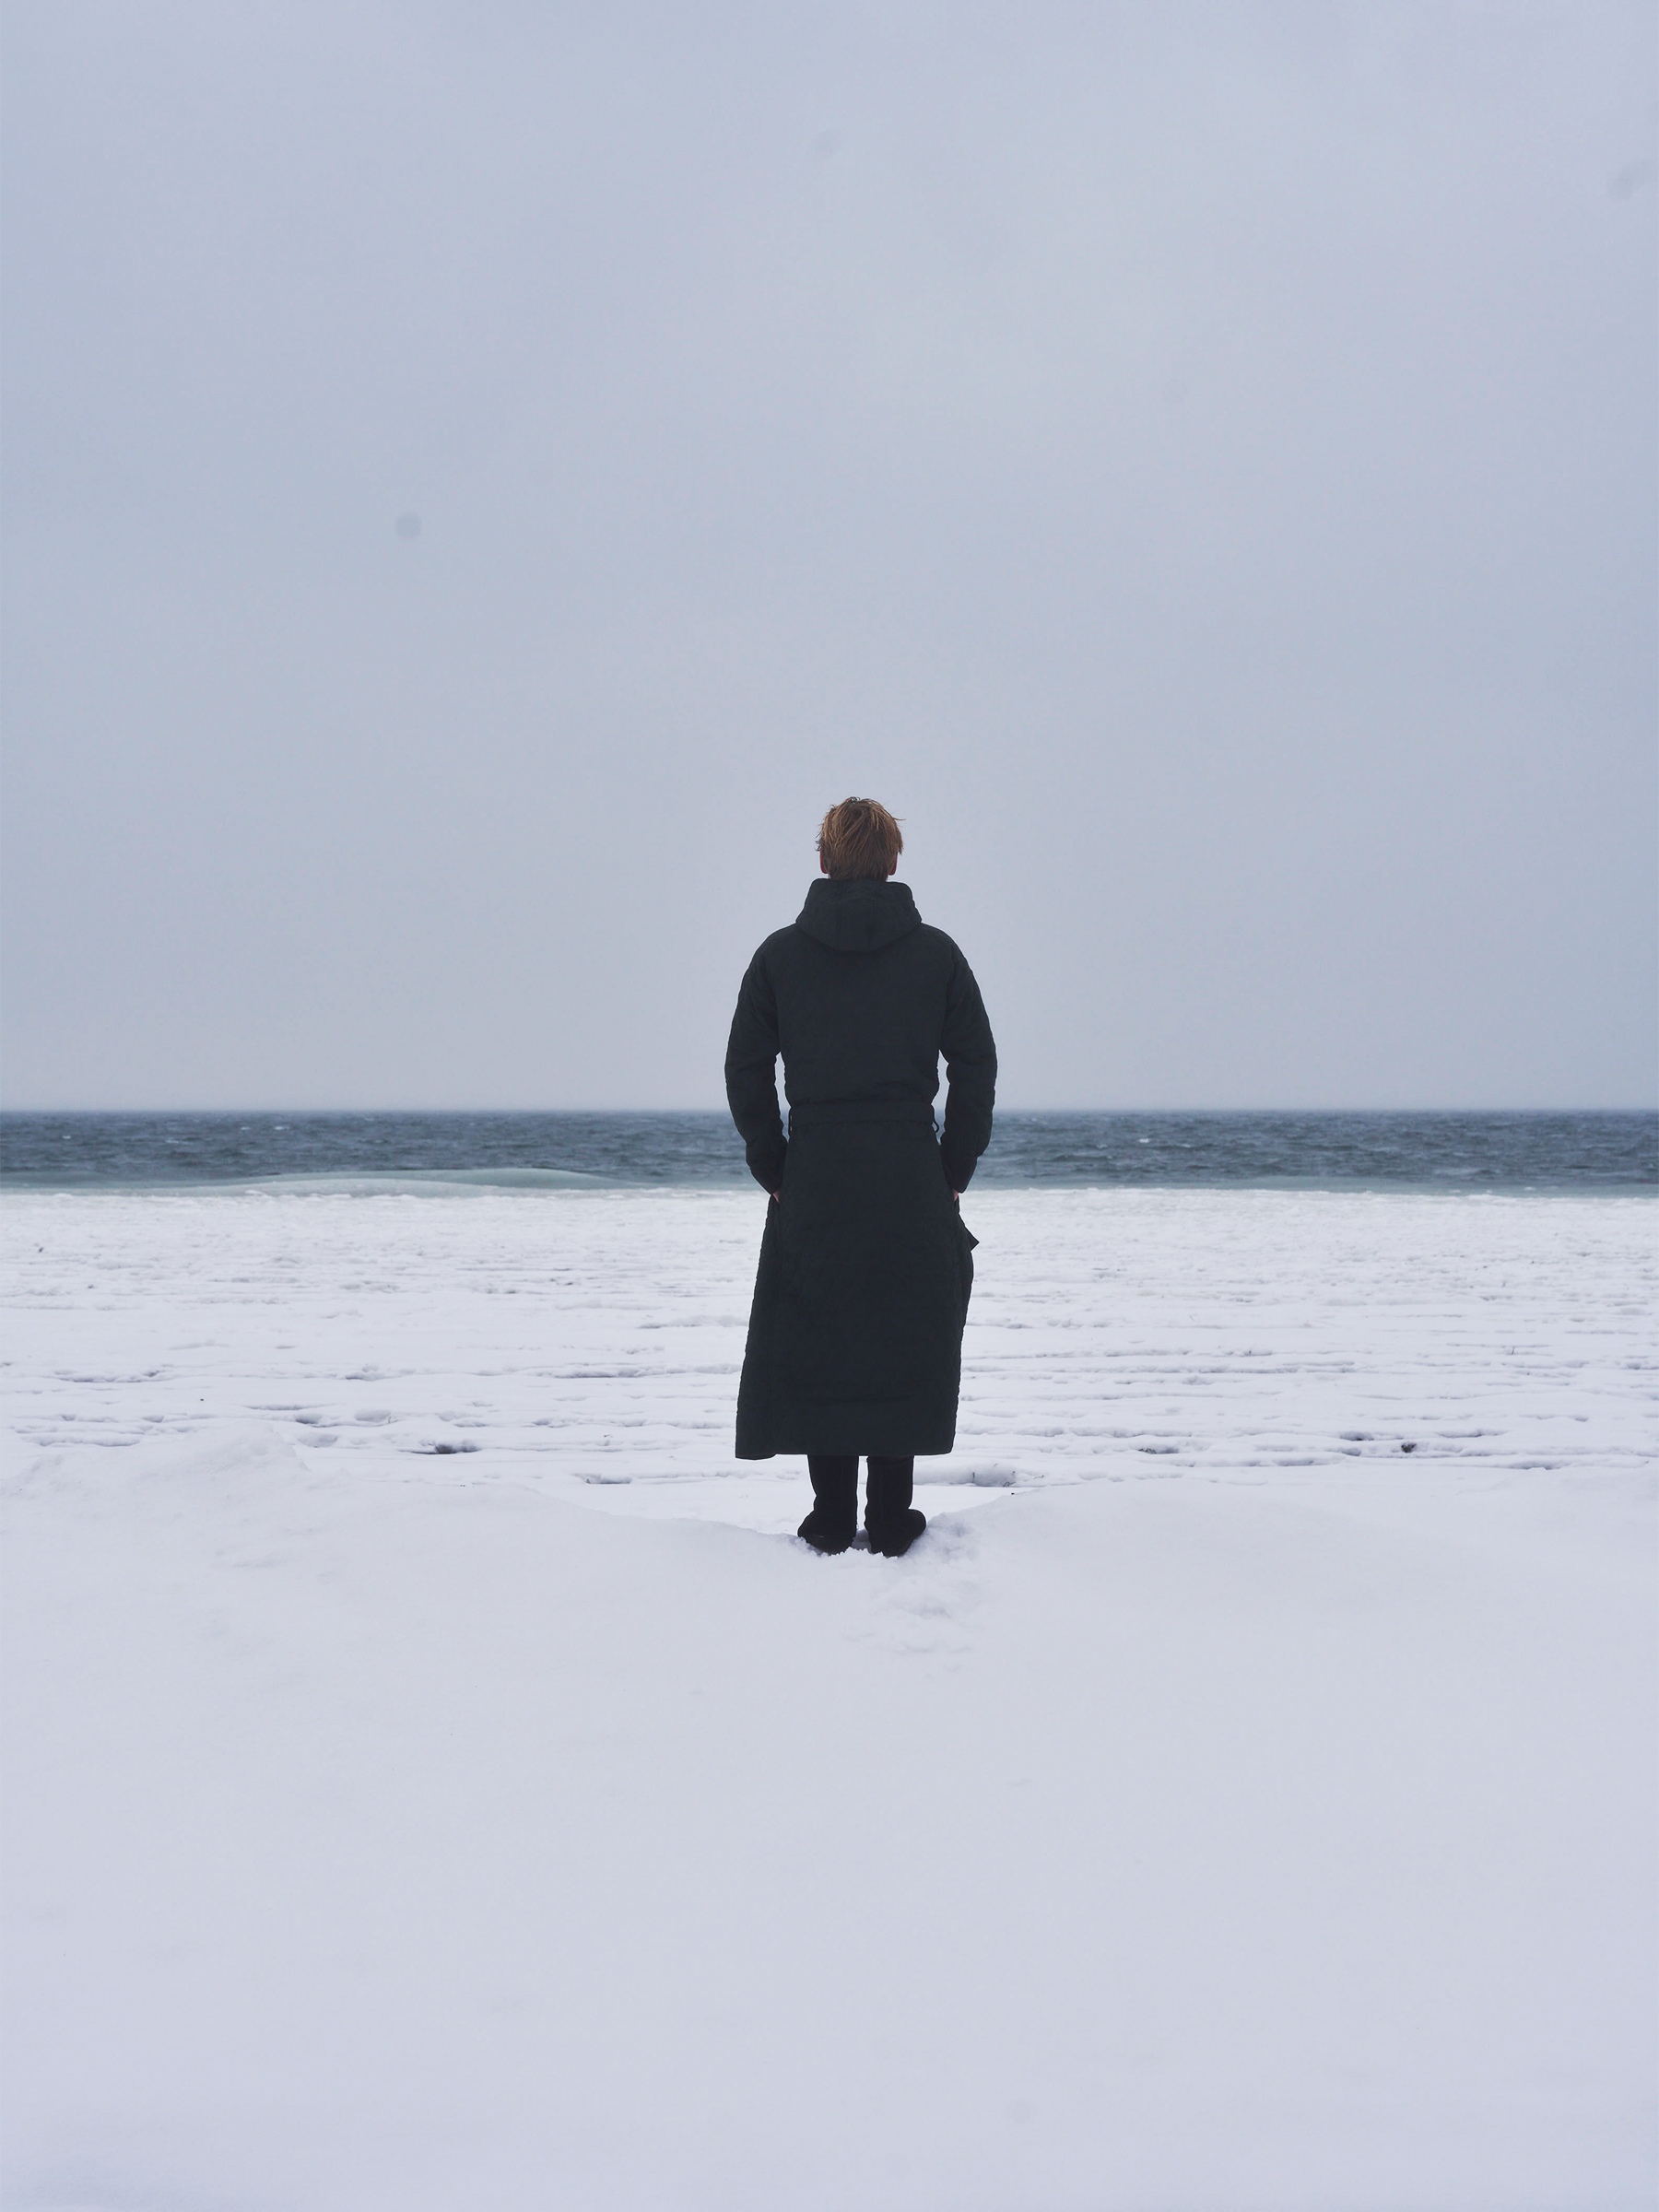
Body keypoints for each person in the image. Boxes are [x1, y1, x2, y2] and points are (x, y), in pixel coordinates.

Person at [724, 797, 997, 1556]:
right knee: (902, 1331)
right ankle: (891, 1515)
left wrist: (773, 1161)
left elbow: (746, 1068)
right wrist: (954, 1166)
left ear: (822, 861)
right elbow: (975, 1064)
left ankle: (830, 1516)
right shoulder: (936, 954)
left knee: (821, 1329)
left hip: (816, 1167)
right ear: (894, 861)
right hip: (909, 1165)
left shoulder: (779, 955)